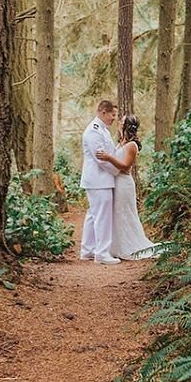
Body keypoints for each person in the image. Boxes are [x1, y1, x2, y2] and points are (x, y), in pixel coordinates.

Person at [96, 115, 158, 260]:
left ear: (127, 126)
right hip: (115, 183)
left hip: (124, 184)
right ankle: (114, 247)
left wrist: (108, 158)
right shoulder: (121, 142)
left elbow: (125, 167)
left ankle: (129, 246)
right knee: (116, 214)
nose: (118, 123)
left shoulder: (132, 145)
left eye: (122, 122)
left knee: (125, 214)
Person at [79, 100, 122, 265]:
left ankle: (88, 250)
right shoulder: (94, 131)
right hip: (99, 180)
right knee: (103, 216)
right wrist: (118, 171)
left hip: (99, 180)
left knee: (93, 215)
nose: (113, 118)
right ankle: (102, 253)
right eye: (112, 114)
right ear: (103, 112)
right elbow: (101, 159)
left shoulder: (102, 130)